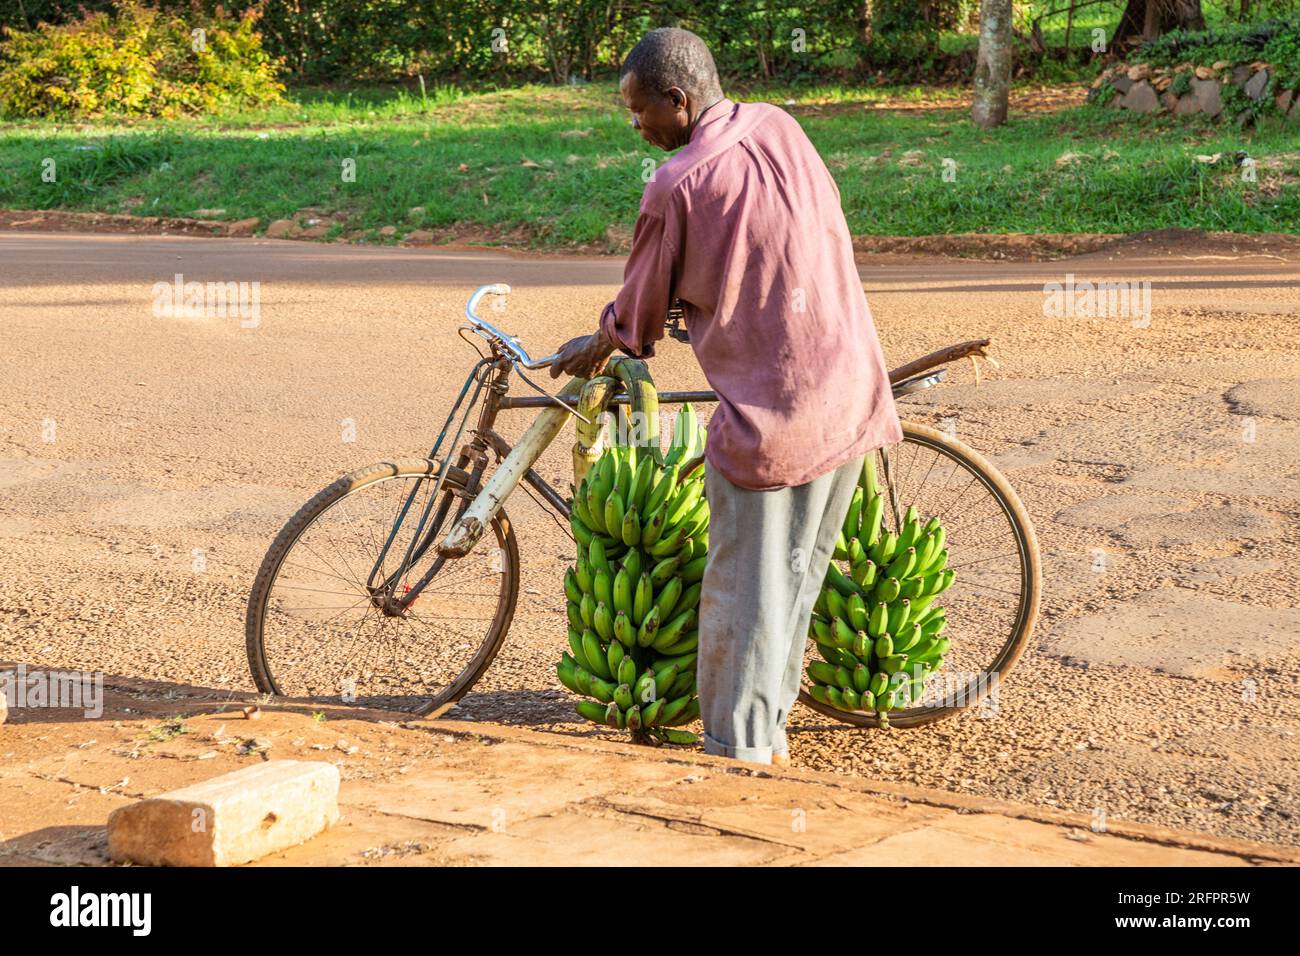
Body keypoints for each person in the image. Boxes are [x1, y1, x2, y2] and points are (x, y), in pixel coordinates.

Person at [550, 27, 902, 766]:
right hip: (850, 386)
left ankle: (735, 761)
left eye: (639, 109)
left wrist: (598, 342)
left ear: (678, 100)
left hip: (776, 417)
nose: (635, 124)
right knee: (795, 583)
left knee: (745, 597)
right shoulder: (780, 125)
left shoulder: (675, 180)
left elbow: (638, 313)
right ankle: (763, 741)